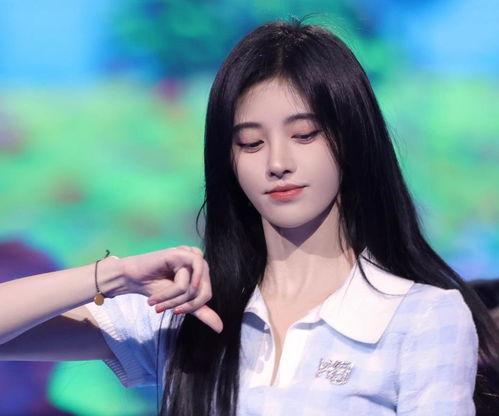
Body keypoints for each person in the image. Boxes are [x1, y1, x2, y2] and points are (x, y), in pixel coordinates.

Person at [1, 17, 499, 416]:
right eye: (251, 143)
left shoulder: (422, 316)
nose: (277, 162)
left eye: (304, 135)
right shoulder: (189, 311)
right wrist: (113, 274)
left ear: (351, 140)